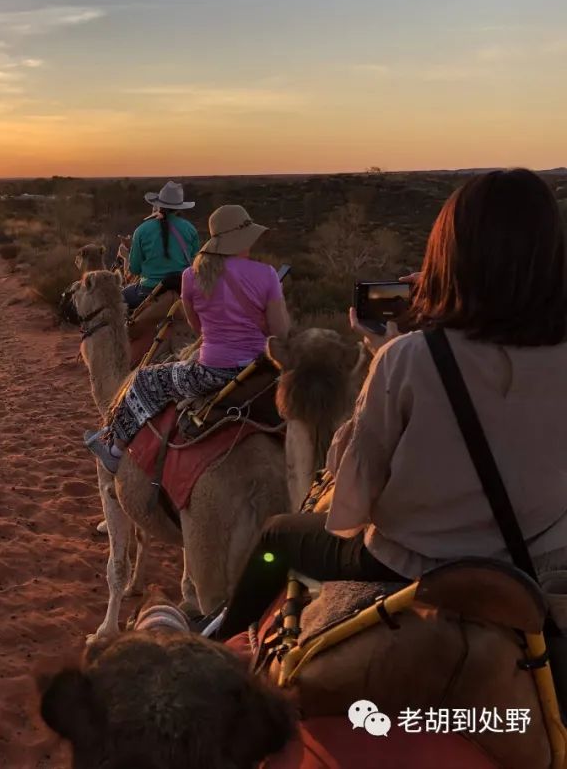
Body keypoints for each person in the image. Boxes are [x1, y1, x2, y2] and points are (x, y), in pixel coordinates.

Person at [214, 168, 567, 640]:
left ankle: (225, 640)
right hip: (535, 559)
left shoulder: (410, 358)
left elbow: (352, 490)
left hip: (412, 562)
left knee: (277, 534)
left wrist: (386, 353)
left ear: (449, 257)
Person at [86, 204, 291, 473]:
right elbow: (281, 333)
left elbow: (198, 328)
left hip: (210, 374)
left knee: (143, 380)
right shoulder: (266, 275)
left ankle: (114, 451)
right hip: (261, 371)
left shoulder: (191, 276)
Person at [122, 181, 200, 309]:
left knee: (118, 300)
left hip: (148, 290)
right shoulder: (190, 229)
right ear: (179, 207)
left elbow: (135, 269)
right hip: (182, 288)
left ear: (158, 205)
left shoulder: (141, 230)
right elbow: (196, 262)